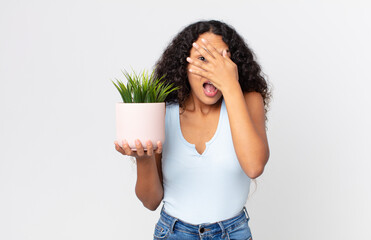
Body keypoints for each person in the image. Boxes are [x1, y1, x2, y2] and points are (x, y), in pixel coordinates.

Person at [114, 20, 271, 240]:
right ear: (183, 66)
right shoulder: (163, 111)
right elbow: (150, 201)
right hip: (173, 233)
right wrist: (143, 158)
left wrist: (230, 85)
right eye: (202, 59)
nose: (212, 69)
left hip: (233, 233)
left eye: (221, 59)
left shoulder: (248, 101)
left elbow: (254, 166)